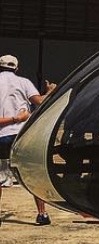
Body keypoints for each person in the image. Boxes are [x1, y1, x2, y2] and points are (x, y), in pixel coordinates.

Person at [0, 54, 57, 226]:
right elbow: (40, 102)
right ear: (16, 68)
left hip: (0, 135)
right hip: (20, 134)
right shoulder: (23, 82)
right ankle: (42, 214)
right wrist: (50, 92)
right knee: (32, 174)